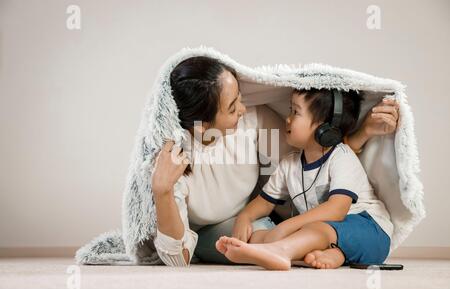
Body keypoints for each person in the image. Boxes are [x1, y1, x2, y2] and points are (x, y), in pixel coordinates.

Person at [151, 56, 400, 267]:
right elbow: (179, 258)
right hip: (210, 231)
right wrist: (162, 192)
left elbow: (323, 155)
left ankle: (288, 251)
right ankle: (304, 252)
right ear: (203, 123)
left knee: (296, 233)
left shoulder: (255, 121)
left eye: (240, 96)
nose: (242, 109)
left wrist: (362, 133)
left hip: (354, 223)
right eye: (231, 106)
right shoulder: (175, 159)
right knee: (279, 236)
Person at [216, 88, 394, 270]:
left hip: (370, 230)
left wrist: (285, 227)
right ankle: (332, 254)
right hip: (327, 234)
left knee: (312, 230)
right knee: (263, 234)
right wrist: (245, 217)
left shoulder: (342, 155)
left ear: (325, 128)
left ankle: (281, 251)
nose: (288, 118)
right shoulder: (289, 164)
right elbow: (264, 203)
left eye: (295, 112)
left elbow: (337, 210)